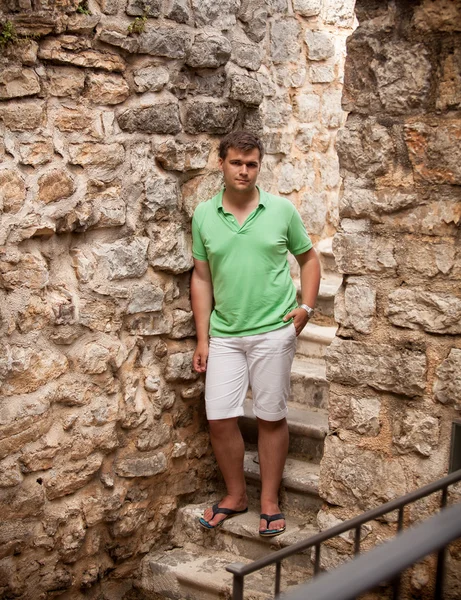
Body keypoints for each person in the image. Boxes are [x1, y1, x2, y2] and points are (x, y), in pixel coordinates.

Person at [191, 131, 320, 537]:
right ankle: (235, 495)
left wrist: (307, 308)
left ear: (258, 166)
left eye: (251, 164)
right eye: (236, 163)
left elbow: (310, 258)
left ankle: (268, 500)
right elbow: (201, 277)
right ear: (222, 164)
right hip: (225, 333)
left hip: (273, 331)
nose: (244, 171)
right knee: (219, 418)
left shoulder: (281, 210)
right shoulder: (204, 215)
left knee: (270, 416)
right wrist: (202, 338)